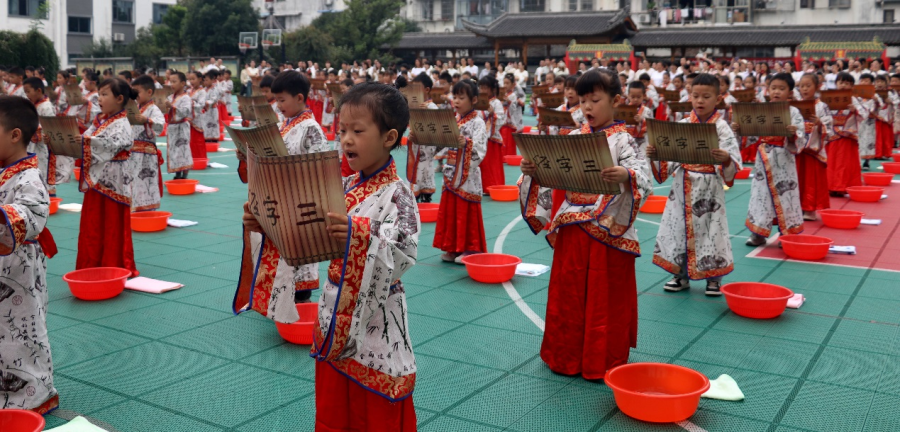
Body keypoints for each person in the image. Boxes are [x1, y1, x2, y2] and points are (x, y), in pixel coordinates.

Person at [240, 81, 418, 431]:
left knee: (373, 406)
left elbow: (404, 251)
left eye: (357, 130)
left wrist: (359, 234)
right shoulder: (346, 187)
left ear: (389, 137)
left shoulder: (398, 193)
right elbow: (309, 237)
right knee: (336, 401)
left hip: (376, 317)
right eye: (342, 131)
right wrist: (265, 222)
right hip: (333, 309)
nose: (346, 139)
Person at [518, 69, 650, 379]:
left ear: (616, 101)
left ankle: (601, 359)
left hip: (607, 232)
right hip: (573, 228)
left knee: (604, 294)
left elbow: (642, 178)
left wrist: (626, 176)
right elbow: (552, 175)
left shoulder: (624, 140)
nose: (587, 107)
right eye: (582, 101)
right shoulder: (573, 136)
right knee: (570, 293)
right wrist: (534, 169)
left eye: (595, 99)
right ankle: (564, 356)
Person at [234, 70, 329, 308]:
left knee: (300, 252)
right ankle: (281, 298)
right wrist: (248, 154)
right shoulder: (284, 124)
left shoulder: (311, 128)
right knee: (281, 252)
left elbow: (320, 166)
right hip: (279, 198)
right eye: (276, 99)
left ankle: (300, 298)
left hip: (301, 200)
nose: (278, 104)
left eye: (282, 99)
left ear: (299, 98)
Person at [648, 73, 742, 295]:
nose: (700, 101)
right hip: (682, 184)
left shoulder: (722, 127)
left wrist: (725, 158)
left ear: (718, 99)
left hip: (710, 186)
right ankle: (680, 276)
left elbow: (733, 159)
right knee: (678, 229)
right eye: (696, 96)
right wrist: (657, 154)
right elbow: (669, 160)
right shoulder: (682, 124)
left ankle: (713, 278)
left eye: (706, 96)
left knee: (712, 231)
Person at [0, 95, 59, 414]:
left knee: (22, 330)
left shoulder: (29, 176)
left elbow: (33, 212)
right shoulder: (5, 172)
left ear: (15, 134)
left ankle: (35, 393)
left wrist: (4, 214)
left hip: (19, 270)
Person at [75, 78, 139, 276]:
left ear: (119, 98)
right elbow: (87, 140)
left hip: (115, 183)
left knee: (111, 224)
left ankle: (114, 267)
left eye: (104, 94)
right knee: (93, 224)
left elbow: (109, 145)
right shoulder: (100, 121)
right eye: (99, 94)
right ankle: (91, 266)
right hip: (97, 180)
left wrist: (85, 142)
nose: (99, 99)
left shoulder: (122, 123)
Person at [735, 73, 805, 246]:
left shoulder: (794, 112)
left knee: (786, 195)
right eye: (773, 88)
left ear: (789, 92)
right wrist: (739, 129)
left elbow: (801, 137)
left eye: (782, 89)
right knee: (760, 196)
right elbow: (751, 137)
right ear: (768, 90)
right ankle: (758, 233)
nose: (777, 92)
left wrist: (792, 134)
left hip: (784, 160)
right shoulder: (761, 110)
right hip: (763, 159)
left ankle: (786, 234)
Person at [431, 80, 487, 264]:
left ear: (474, 100)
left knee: (465, 208)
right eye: (454, 97)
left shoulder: (478, 123)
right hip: (450, 171)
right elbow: (442, 145)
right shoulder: (452, 120)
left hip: (467, 175)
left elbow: (480, 149)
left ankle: (470, 249)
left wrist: (466, 144)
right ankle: (452, 247)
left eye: (461, 97)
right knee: (451, 208)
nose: (456, 101)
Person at [794, 73, 832, 221]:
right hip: (798, 148)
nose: (804, 89)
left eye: (808, 86)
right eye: (802, 86)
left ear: (817, 87)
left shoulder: (822, 106)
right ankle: (797, 208)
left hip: (813, 150)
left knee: (811, 179)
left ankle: (810, 209)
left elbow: (829, 127)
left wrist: (819, 124)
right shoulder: (796, 105)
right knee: (797, 178)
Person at [130, 75, 166, 212]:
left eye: (137, 92)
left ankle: (148, 212)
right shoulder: (135, 108)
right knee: (135, 183)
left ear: (149, 92)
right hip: (133, 154)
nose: (134, 95)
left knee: (146, 182)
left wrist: (147, 120)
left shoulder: (153, 109)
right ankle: (136, 210)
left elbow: (160, 126)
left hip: (146, 155)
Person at [826, 72, 863, 196]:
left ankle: (842, 186)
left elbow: (864, 114)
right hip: (831, 135)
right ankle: (830, 186)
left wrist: (855, 110)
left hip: (847, 135)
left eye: (847, 83)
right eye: (841, 82)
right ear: (836, 84)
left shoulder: (854, 100)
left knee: (844, 163)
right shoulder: (828, 98)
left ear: (852, 87)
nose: (843, 85)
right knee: (831, 162)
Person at [406, 73, 440, 203]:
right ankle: (415, 199)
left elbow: (437, 129)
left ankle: (426, 198)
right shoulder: (414, 105)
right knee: (415, 173)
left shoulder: (432, 107)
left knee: (426, 172)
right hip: (415, 148)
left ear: (427, 90)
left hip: (427, 149)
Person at [23, 77, 57, 196]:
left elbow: (51, 128)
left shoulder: (46, 107)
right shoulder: (34, 105)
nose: (27, 95)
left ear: (38, 90)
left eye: (28, 91)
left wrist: (36, 132)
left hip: (43, 147)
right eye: (25, 92)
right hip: (32, 145)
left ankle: (46, 198)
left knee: (42, 171)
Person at [478, 74, 505, 191]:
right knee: (482, 163)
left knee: (491, 164)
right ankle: (483, 186)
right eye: (481, 87)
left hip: (492, 138)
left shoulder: (496, 103)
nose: (482, 90)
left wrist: (492, 114)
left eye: (485, 88)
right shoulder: (477, 102)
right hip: (479, 136)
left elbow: (501, 118)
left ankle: (494, 186)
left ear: (492, 89)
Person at [165, 72, 194, 178]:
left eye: (174, 81)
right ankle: (177, 172)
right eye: (170, 81)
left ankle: (184, 173)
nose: (171, 84)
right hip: (172, 127)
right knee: (174, 150)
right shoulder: (170, 97)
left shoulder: (186, 97)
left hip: (181, 127)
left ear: (182, 83)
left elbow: (186, 111)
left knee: (183, 148)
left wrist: (172, 107)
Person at [501, 73, 523, 157]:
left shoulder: (513, 95)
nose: (505, 85)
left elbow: (513, 109)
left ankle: (510, 157)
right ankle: (503, 156)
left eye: (507, 83)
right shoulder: (503, 95)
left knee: (510, 143)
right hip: (503, 122)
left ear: (513, 85)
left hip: (511, 122)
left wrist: (508, 102)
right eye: (504, 83)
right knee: (503, 141)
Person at [874, 75, 895, 160]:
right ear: (875, 83)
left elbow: (896, 102)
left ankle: (886, 153)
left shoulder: (890, 93)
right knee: (877, 137)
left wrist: (891, 102)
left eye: (882, 82)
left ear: (886, 84)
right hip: (876, 117)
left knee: (886, 137)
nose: (880, 84)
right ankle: (877, 154)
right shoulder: (873, 93)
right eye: (878, 81)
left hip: (886, 118)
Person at [202, 70, 221, 144]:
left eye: (207, 80)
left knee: (213, 123)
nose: (205, 82)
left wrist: (206, 102)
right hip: (206, 110)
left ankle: (214, 138)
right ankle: (207, 137)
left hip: (212, 110)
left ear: (212, 80)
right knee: (206, 123)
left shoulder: (214, 89)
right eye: (204, 80)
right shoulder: (204, 90)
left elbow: (214, 99)